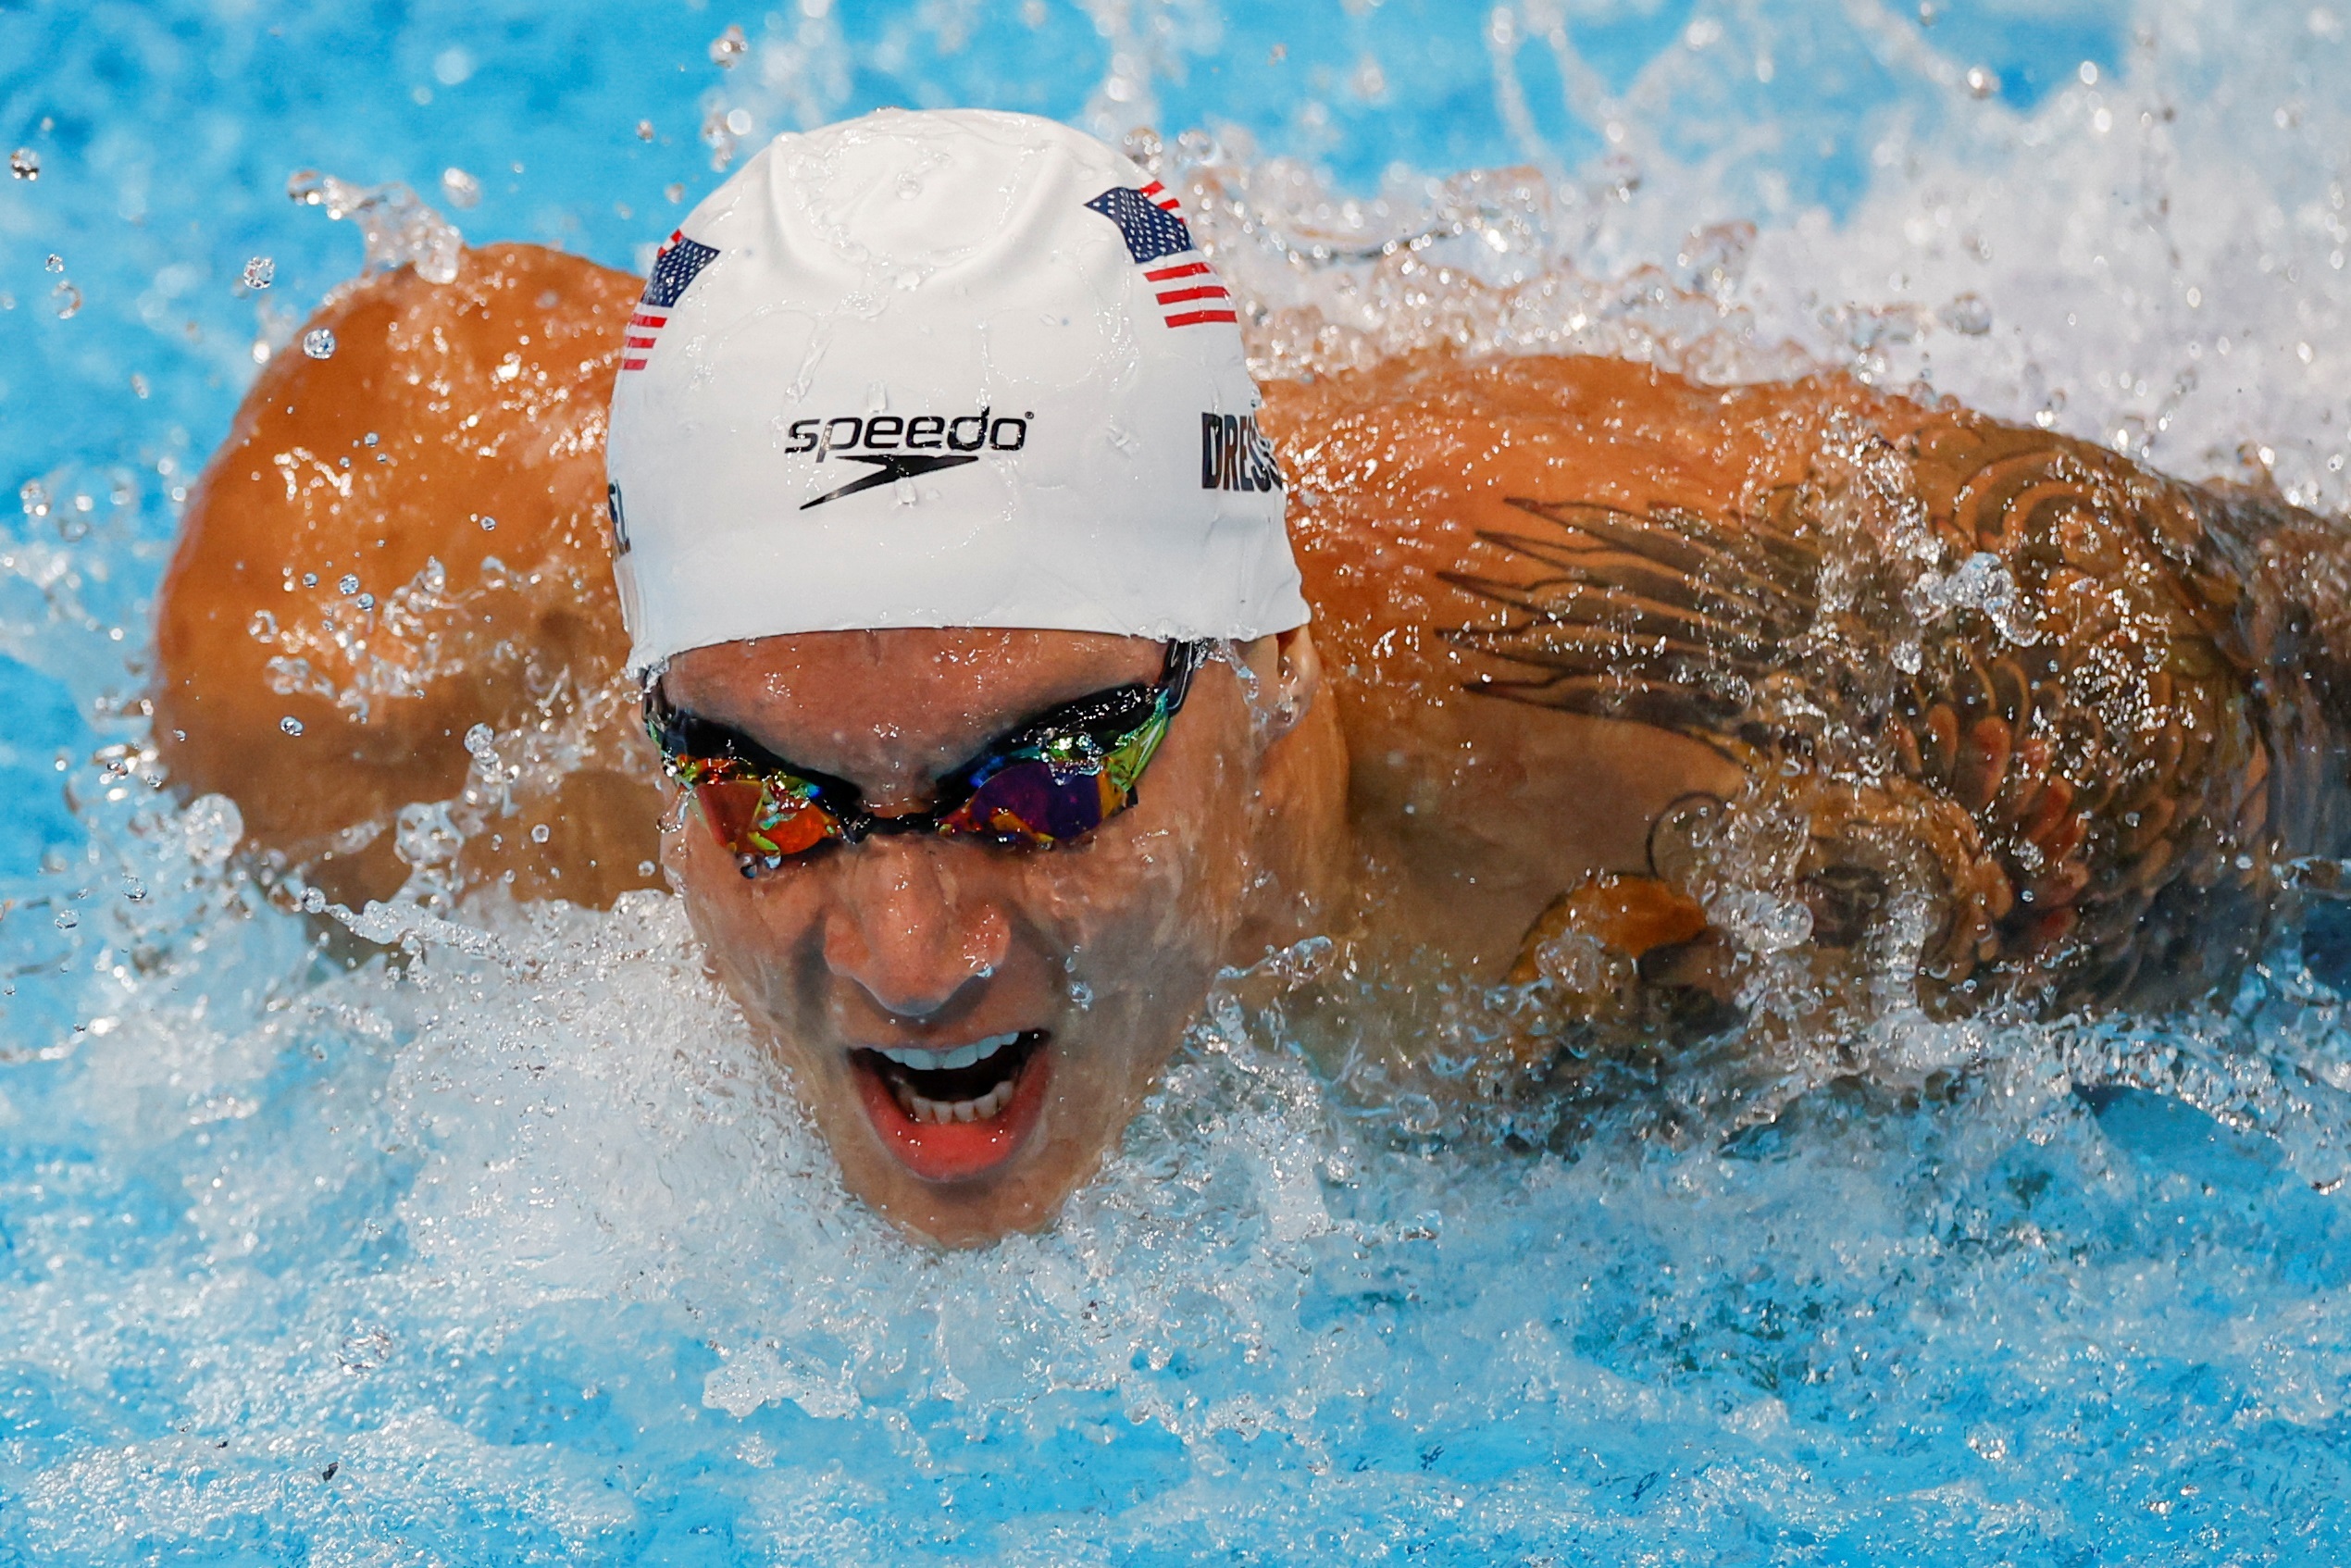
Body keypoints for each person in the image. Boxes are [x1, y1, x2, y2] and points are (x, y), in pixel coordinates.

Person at [154, 109, 2351, 1244]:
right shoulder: (344, 688)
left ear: (1270, 664)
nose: (911, 951)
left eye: (1044, 778)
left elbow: (2297, 670)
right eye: (774, 790)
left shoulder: (1684, 717)